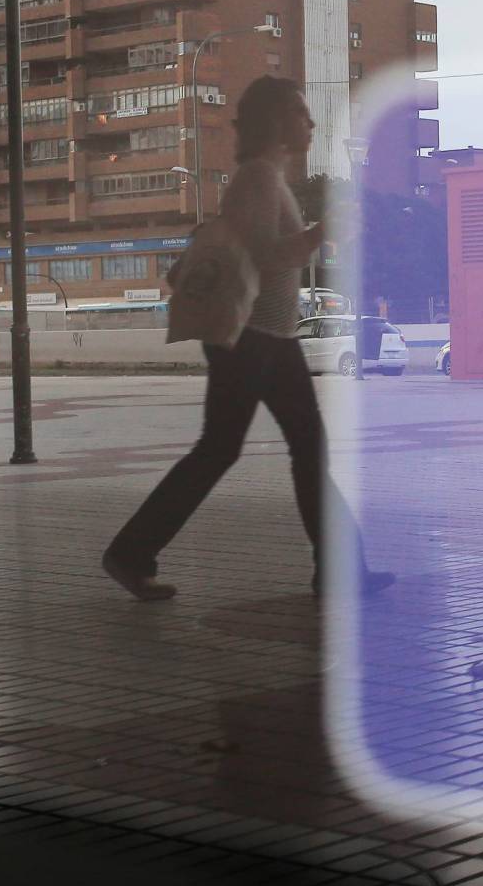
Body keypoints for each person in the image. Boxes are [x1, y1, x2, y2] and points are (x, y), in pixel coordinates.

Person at [103, 75, 393, 602]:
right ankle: (339, 569)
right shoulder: (259, 178)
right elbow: (260, 258)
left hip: (260, 338)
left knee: (230, 450)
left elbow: (267, 254)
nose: (309, 123)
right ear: (276, 121)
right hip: (254, 338)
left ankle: (132, 552)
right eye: (300, 113)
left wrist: (316, 236)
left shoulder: (266, 178)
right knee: (294, 449)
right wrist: (319, 233)